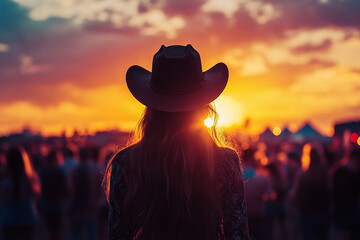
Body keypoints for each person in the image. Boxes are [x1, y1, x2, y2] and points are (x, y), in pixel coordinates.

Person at [104, 44, 249, 240]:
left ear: (151, 109)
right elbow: (237, 235)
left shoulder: (125, 163)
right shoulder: (225, 163)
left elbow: (118, 235)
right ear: (205, 109)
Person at [0, 145, 41, 240]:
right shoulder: (31, 180)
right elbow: (36, 198)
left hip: (9, 221)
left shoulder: (4, 181)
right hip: (28, 220)